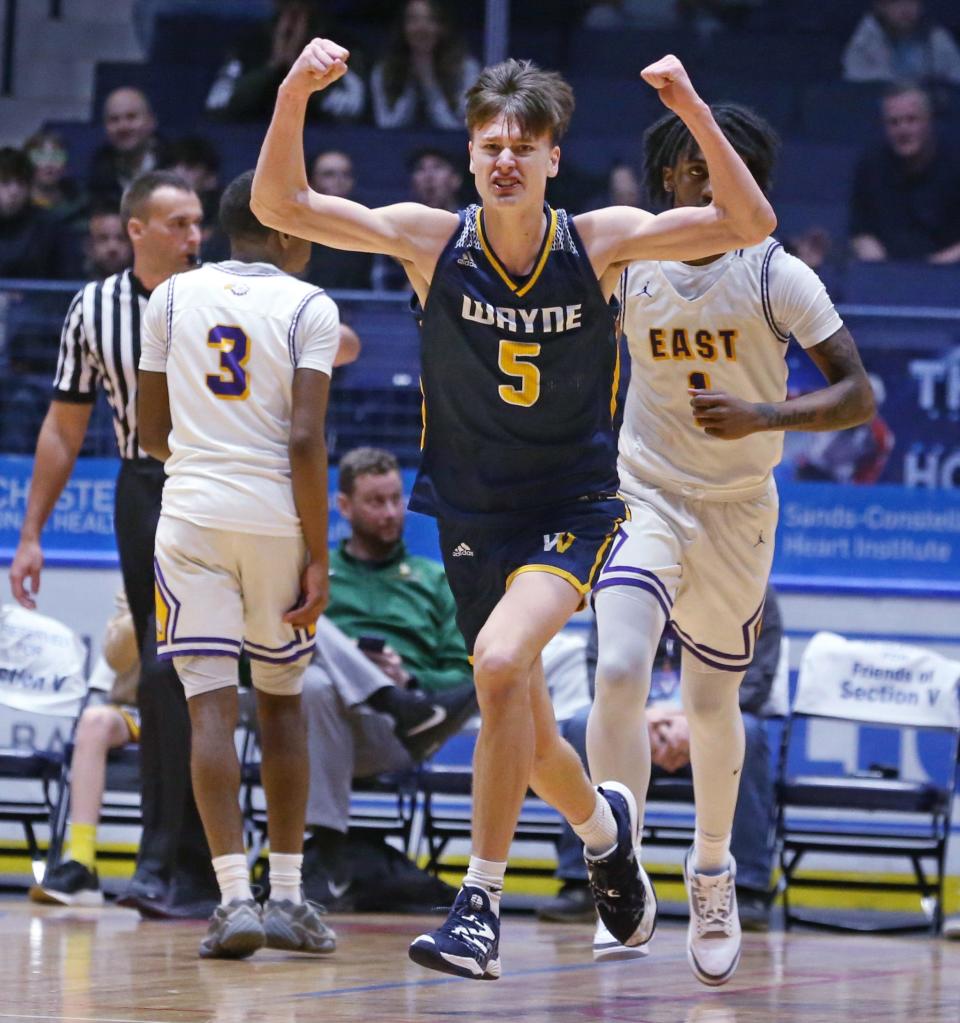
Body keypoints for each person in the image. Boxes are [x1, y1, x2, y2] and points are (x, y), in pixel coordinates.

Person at [252, 40, 775, 980]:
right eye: (489, 144)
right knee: (525, 728)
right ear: (470, 154)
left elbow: (747, 218)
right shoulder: (429, 238)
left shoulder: (600, 241)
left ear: (550, 160)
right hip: (468, 512)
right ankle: (605, 830)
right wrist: (293, 91)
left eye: (521, 147)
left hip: (569, 506)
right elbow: (279, 207)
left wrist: (692, 105)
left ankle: (477, 905)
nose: (503, 160)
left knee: (498, 664)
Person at [587, 103, 874, 984]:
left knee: (713, 703)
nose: (713, 182)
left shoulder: (775, 275)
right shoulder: (630, 264)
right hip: (644, 494)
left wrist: (766, 414)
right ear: (668, 179)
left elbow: (857, 393)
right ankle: (616, 867)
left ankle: (712, 871)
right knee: (619, 669)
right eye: (698, 168)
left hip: (738, 507)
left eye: (733, 169)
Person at [137, 168, 340, 960]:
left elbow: (152, 432)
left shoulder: (171, 297)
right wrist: (319, 553)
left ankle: (231, 900)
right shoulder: (310, 306)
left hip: (190, 512)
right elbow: (304, 441)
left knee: (210, 709)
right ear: (288, 229)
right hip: (275, 518)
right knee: (282, 704)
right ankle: (287, 894)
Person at [8, 170, 218, 918]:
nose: (196, 237)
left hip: (220, 485)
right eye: (179, 224)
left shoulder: (222, 293)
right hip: (145, 485)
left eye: (199, 222)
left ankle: (206, 860)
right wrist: (31, 533)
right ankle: (165, 860)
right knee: (163, 672)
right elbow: (65, 427)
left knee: (206, 671)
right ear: (136, 230)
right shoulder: (93, 307)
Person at [539, 586, 783, 937]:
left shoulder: (750, 589)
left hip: (712, 723)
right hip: (640, 723)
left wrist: (691, 720)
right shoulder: (621, 585)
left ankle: (746, 888)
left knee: (752, 733)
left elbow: (756, 682)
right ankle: (584, 881)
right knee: (581, 726)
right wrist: (646, 718)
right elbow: (601, 671)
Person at [298, 447, 477, 903]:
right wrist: (360, 672)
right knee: (313, 664)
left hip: (400, 735)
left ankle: (396, 701)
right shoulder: (320, 577)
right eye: (376, 502)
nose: (392, 512)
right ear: (344, 506)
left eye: (397, 499)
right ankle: (387, 699)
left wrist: (409, 678)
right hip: (316, 730)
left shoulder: (434, 579)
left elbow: (462, 677)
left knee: (317, 664)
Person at [29, 592, 141, 906]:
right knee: (93, 722)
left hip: (188, 711)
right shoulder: (134, 577)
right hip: (134, 710)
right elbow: (116, 658)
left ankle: (185, 867)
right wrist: (147, 599)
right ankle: (81, 862)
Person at [849, 82, 960, 264]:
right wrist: (881, 267)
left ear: (928, 121)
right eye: (894, 122)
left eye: (911, 120)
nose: (903, 129)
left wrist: (934, 268)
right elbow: (861, 232)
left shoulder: (956, 163)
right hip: (887, 273)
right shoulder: (870, 166)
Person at [206, 0, 366, 123]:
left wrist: (301, 70)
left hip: (321, 138)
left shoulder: (342, 47)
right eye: (287, 5)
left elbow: (350, 113)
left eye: (302, 6)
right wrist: (273, 66)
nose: (293, 16)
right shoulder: (249, 45)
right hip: (254, 138)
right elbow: (218, 107)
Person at [369, 0, 481, 130]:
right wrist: (411, 79)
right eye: (413, 20)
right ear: (402, 28)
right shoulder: (384, 70)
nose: (421, 28)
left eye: (430, 19)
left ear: (442, 27)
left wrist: (429, 81)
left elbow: (457, 128)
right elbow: (388, 125)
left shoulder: (466, 68)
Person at [842, 0, 960, 85]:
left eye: (912, 1)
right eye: (895, 2)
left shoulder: (937, 37)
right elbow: (856, 81)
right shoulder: (865, 39)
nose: (905, 8)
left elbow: (956, 75)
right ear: (880, 6)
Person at [304, 149, 374, 290]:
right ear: (310, 182)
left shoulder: (369, 224)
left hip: (357, 307)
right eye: (329, 175)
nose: (339, 181)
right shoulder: (293, 226)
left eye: (346, 174)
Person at [88, 88, 166, 205]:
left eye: (131, 117)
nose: (123, 127)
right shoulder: (97, 173)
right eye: (114, 120)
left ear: (151, 122)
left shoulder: (176, 165)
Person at [0, 147, 62, 279]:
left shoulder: (49, 226)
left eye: (21, 183)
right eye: (5, 183)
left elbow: (63, 282)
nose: (14, 191)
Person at [78, 204, 133, 280]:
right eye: (103, 238)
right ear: (88, 245)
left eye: (121, 238)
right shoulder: (67, 287)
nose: (112, 247)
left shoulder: (150, 289)